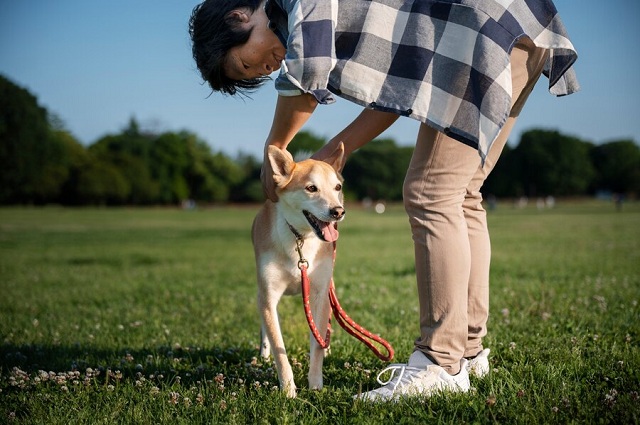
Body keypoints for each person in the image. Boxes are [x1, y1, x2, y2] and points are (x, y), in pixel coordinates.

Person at [189, 0, 579, 401]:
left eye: (245, 65)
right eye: (250, 74)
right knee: (461, 194)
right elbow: (396, 96)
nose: (264, 71)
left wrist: (275, 145)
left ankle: (441, 362)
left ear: (238, 16)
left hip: (480, 29)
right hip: (516, 25)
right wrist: (332, 153)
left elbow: (307, 72)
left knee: (432, 193)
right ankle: (468, 350)